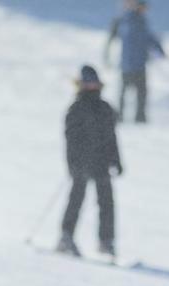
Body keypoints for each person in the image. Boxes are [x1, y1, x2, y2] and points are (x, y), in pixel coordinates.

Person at [57, 65, 122, 258]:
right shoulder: (76, 109)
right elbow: (70, 139)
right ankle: (66, 237)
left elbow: (112, 137)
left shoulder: (105, 108)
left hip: (101, 162)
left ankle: (106, 241)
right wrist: (73, 163)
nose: (92, 85)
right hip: (82, 163)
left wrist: (116, 160)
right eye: (88, 82)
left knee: (106, 202)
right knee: (77, 198)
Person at [105, 0, 165, 123]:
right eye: (143, 7)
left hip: (138, 64)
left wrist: (160, 50)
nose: (145, 10)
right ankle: (123, 117)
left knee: (140, 93)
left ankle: (139, 117)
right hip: (129, 64)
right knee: (125, 92)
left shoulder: (139, 21)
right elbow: (147, 38)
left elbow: (149, 38)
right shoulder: (127, 21)